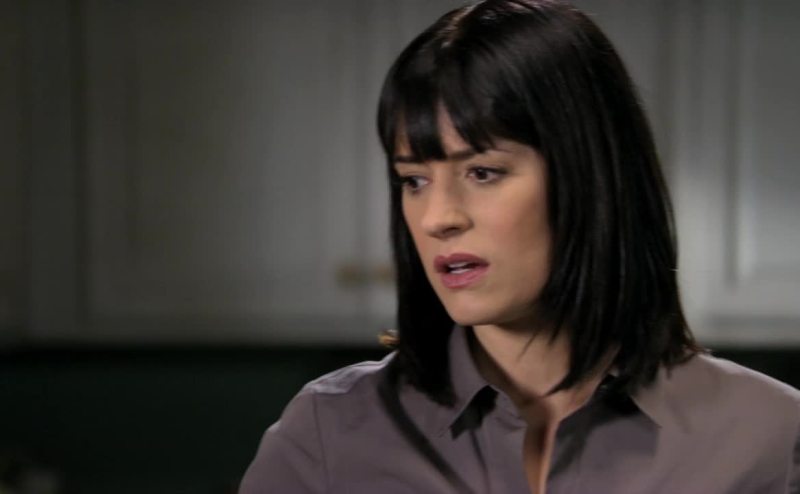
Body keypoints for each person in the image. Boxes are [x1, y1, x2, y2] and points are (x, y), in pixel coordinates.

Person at [239, 1, 800, 492]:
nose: (437, 218)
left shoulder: (768, 441)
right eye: (414, 180)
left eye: (483, 172)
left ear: (590, 177)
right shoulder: (330, 436)